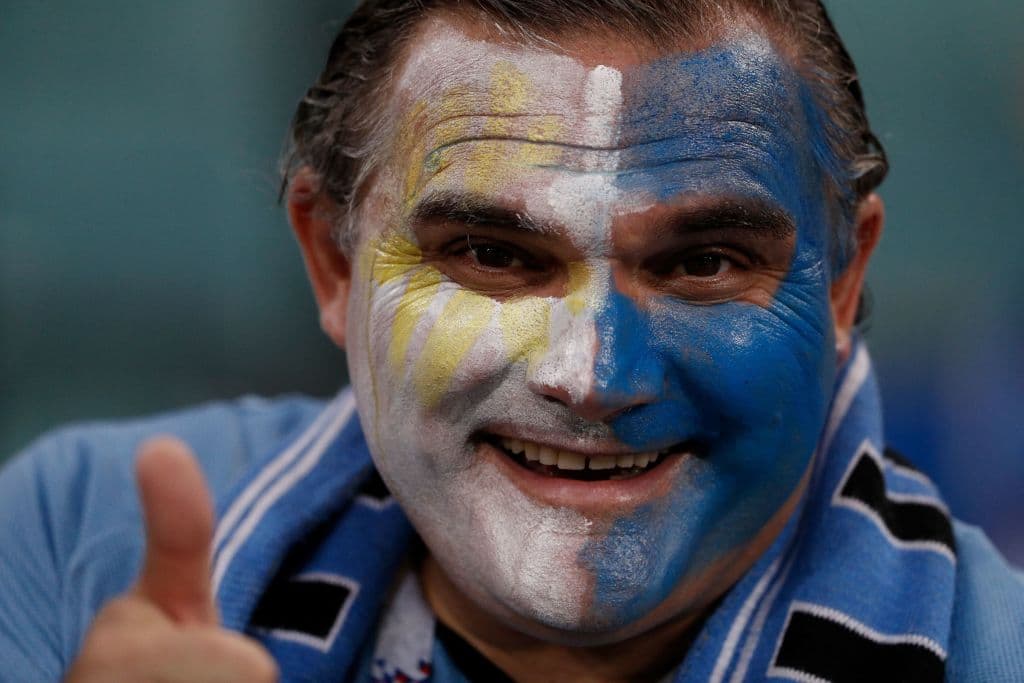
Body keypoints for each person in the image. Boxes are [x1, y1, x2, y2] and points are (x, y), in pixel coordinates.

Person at [2, 0, 1022, 681]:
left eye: (703, 262)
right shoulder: (71, 539)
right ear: (335, 263)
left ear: (843, 279)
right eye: (492, 252)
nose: (592, 374)